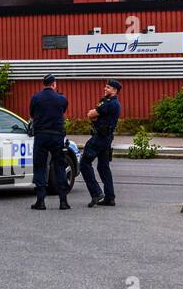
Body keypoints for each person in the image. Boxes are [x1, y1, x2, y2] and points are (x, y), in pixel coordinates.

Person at [29, 74, 71, 210]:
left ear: (44, 84)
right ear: (54, 84)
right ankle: (63, 201)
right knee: (59, 166)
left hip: (41, 136)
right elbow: (63, 110)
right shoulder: (62, 99)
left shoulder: (36, 98)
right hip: (57, 136)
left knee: (40, 166)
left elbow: (32, 114)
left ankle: (40, 201)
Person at [81, 80, 122, 207]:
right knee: (103, 167)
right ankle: (110, 198)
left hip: (99, 138)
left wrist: (94, 114)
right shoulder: (113, 103)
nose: (105, 89)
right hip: (107, 138)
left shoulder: (109, 103)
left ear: (114, 90)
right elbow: (94, 115)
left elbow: (91, 114)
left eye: (108, 87)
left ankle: (96, 193)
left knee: (84, 163)